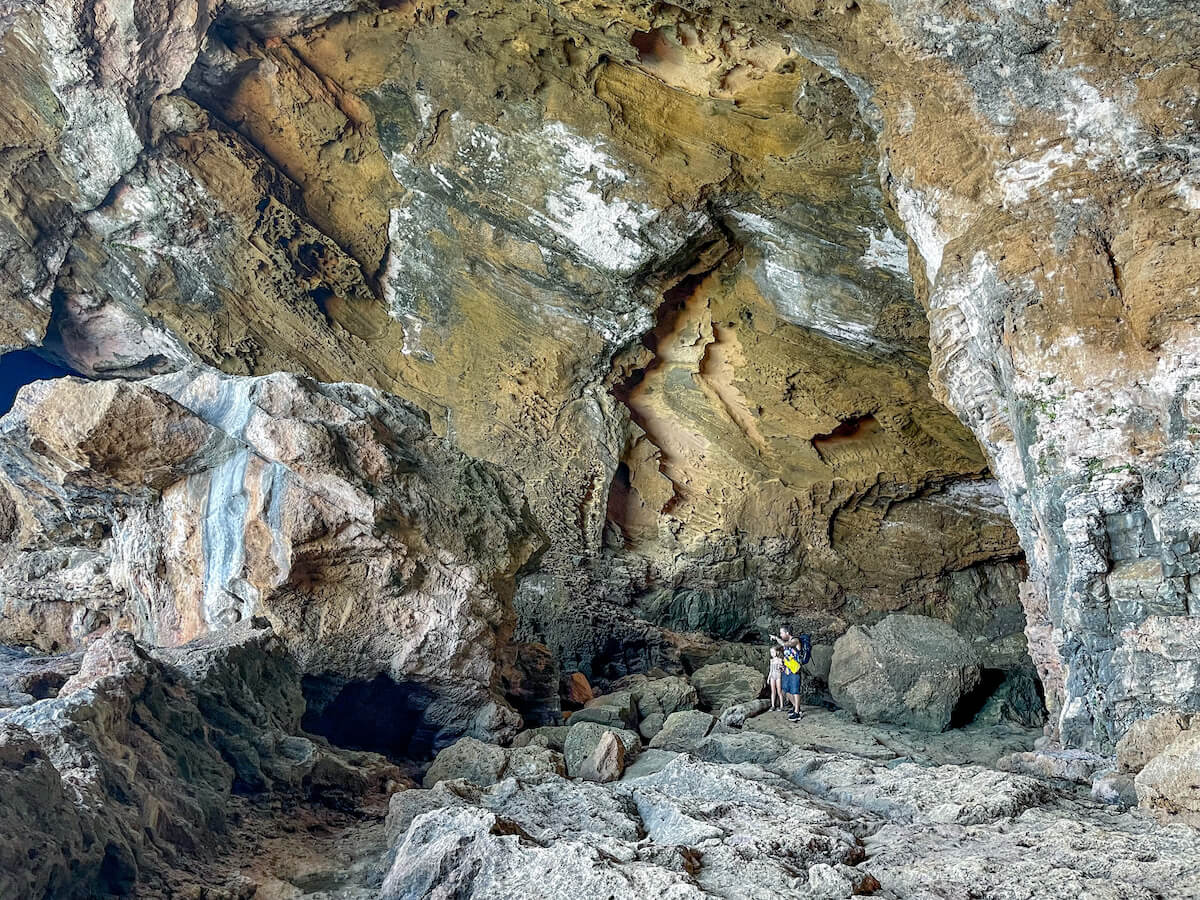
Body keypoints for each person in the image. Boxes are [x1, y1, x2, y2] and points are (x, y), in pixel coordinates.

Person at [772, 624, 805, 721]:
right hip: (787, 670)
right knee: (786, 690)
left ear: (787, 633)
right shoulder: (786, 643)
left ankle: (797, 713)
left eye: (781, 633)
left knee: (795, 691)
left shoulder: (795, 641)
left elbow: (786, 645)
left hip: (795, 670)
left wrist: (776, 638)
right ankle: (796, 707)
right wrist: (783, 666)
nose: (780, 635)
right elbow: (787, 657)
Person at [768, 646, 784, 711]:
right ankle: (773, 706)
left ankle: (781, 706)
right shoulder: (771, 660)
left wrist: (781, 667)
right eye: (771, 652)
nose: (772, 653)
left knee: (779, 691)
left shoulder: (780, 660)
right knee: (773, 691)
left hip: (778, 676)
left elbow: (782, 669)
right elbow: (770, 670)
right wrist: (768, 678)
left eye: (773, 652)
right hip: (772, 676)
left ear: (777, 652)